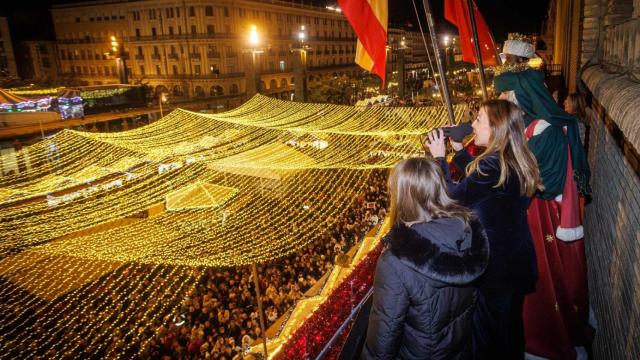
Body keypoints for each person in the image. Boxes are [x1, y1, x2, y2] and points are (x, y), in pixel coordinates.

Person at [495, 37, 593, 360]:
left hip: (544, 222)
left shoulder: (546, 131)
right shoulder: (528, 126)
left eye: (506, 96)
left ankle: (549, 334)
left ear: (521, 96)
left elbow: (544, 185)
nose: (502, 100)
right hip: (532, 219)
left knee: (547, 287)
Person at [425, 99, 543, 359]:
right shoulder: (511, 158)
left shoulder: (493, 165)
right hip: (516, 261)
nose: (472, 124)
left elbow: (454, 197)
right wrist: (458, 151)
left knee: (489, 340)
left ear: (497, 129)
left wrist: (438, 158)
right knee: (510, 332)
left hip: (496, 269)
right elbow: (483, 184)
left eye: (478, 119)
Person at [362, 157, 489, 359]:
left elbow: (383, 338)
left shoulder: (395, 262)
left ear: (403, 196)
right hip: (458, 348)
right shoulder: (467, 231)